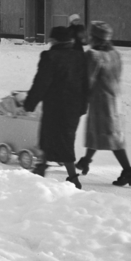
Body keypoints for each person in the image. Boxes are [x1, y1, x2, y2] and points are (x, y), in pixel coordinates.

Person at [23, 25, 89, 188]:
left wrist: (30, 103)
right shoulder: (79, 56)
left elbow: (41, 83)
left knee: (56, 139)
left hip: (55, 107)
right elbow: (86, 84)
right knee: (62, 138)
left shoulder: (50, 57)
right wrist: (83, 106)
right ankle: (42, 166)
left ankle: (73, 178)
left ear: (54, 40)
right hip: (73, 107)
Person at [77, 21, 131, 186]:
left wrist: (81, 98)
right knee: (102, 134)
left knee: (110, 138)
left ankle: (128, 172)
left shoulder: (93, 55)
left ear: (94, 37)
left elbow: (87, 80)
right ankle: (85, 161)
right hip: (115, 101)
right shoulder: (115, 54)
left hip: (101, 102)